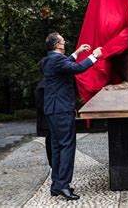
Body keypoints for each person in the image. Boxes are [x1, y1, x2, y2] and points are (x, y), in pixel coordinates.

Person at [43, 32, 103, 200]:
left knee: (57, 147)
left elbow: (67, 64)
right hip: (61, 110)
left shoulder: (51, 60)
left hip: (53, 110)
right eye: (62, 40)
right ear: (57, 45)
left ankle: (56, 185)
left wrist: (77, 53)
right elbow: (76, 68)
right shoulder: (56, 60)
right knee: (67, 146)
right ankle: (63, 185)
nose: (64, 42)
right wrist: (94, 56)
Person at [34, 58, 51, 167]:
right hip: (47, 121)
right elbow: (41, 105)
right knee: (51, 143)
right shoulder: (43, 86)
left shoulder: (44, 84)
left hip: (47, 121)